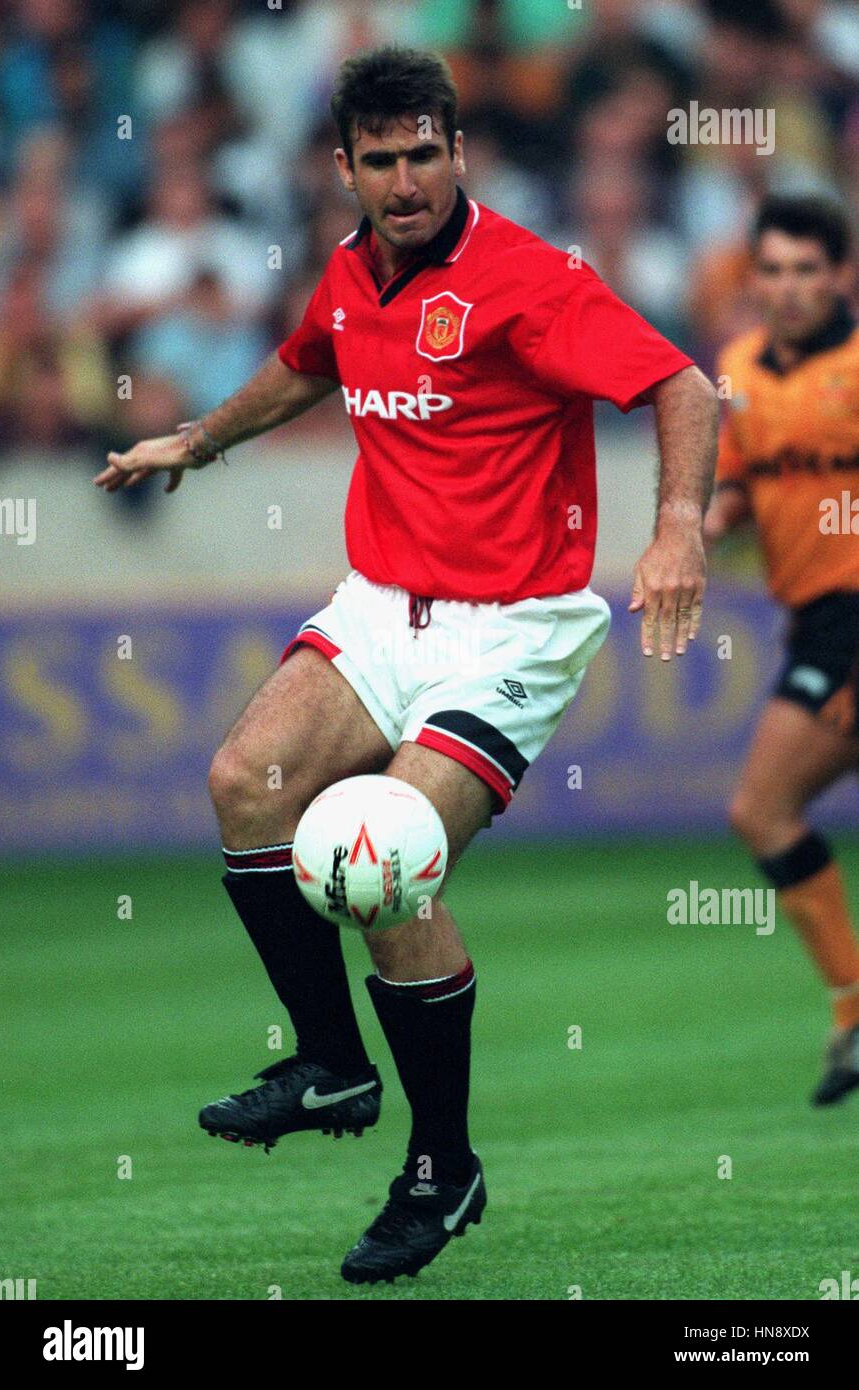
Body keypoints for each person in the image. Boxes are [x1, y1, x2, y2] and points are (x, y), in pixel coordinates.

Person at [94, 46, 716, 1285]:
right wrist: (200, 439)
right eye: (379, 160)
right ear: (345, 169)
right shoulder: (346, 275)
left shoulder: (528, 282)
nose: (404, 179)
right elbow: (307, 360)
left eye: (423, 152)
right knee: (244, 782)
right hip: (384, 606)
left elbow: (681, 383)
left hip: (510, 626)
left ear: (456, 150)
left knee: (380, 864)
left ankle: (442, 1167)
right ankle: (328, 1060)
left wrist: (678, 526)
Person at [704, 194, 859, 1107]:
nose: (792, 287)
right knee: (764, 812)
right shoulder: (737, 370)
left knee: (762, 808)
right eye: (776, 269)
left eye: (809, 268)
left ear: (840, 274)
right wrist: (700, 523)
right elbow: (738, 485)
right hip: (813, 620)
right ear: (754, 276)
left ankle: (851, 1010)